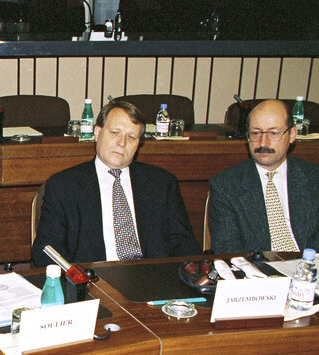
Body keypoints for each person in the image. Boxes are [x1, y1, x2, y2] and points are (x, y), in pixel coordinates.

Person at [32, 100, 200, 266]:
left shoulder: (162, 183)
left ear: (139, 144)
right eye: (115, 133)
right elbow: (47, 251)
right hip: (94, 281)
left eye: (131, 137)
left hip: (153, 280)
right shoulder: (63, 187)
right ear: (97, 133)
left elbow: (184, 244)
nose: (122, 143)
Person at [209, 99, 319, 254]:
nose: (263, 143)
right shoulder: (226, 185)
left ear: (292, 134)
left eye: (273, 133)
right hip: (259, 272)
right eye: (256, 133)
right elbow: (228, 249)